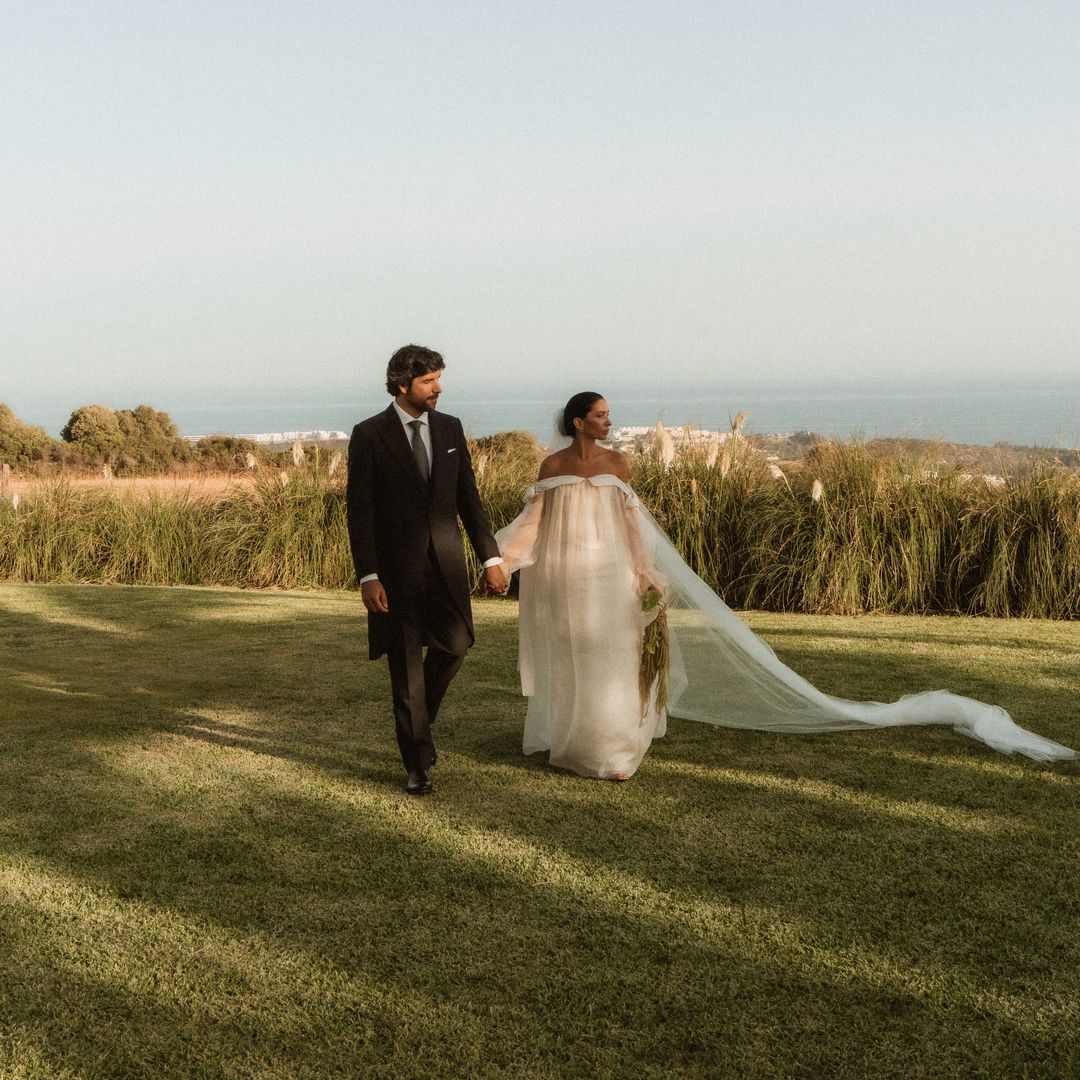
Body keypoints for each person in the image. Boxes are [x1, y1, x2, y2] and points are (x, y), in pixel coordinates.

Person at [494, 393, 1075, 779]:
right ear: (577, 421)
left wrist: (646, 572)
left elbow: (629, 524)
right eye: (599, 415)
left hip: (613, 576)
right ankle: (574, 744)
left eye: (608, 414)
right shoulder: (550, 467)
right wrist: (504, 561)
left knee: (617, 660)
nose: (608, 422)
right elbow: (535, 525)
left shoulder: (620, 465)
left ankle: (614, 751)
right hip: (570, 578)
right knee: (579, 656)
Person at [346, 345, 508, 795]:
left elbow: (468, 501)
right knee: (406, 671)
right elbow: (360, 513)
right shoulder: (369, 434)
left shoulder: (451, 428)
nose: (439, 388)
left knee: (457, 644)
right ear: (403, 385)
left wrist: (490, 557)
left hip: (447, 567)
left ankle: (420, 720)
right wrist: (368, 575)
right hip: (394, 575)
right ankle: (417, 763)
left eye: (439, 379)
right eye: (429, 381)